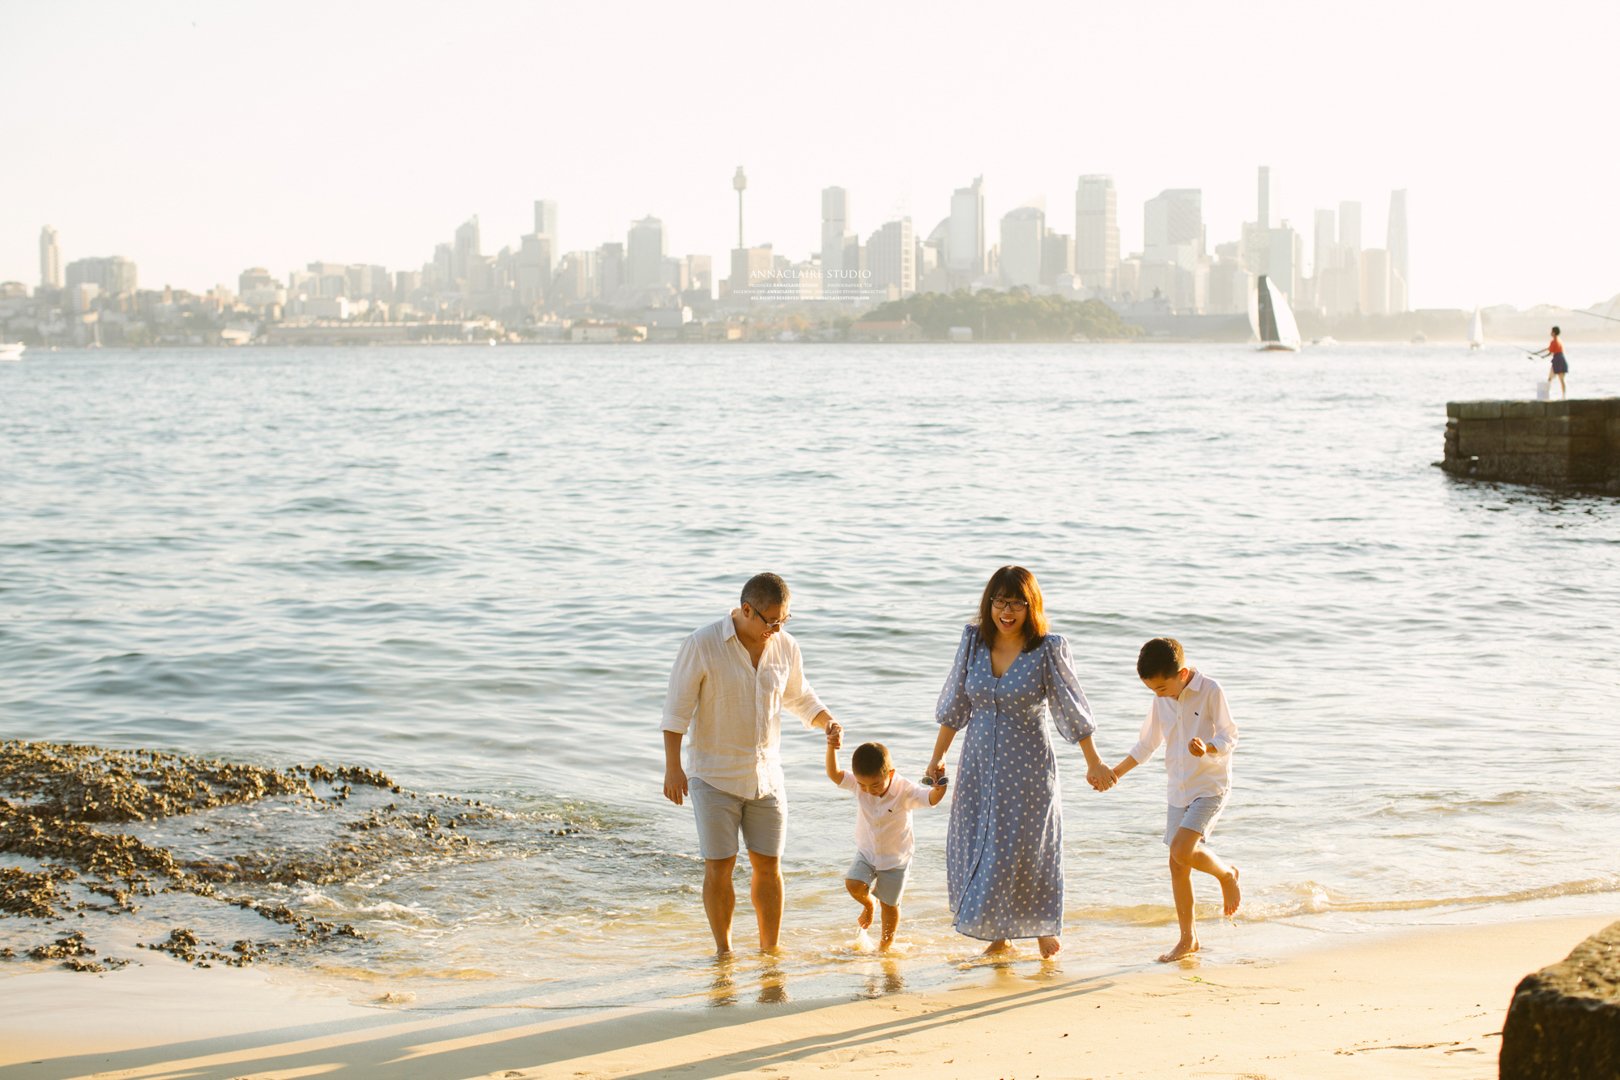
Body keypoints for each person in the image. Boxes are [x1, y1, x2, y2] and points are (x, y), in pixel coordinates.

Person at [925, 565, 1115, 960]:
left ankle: (1043, 927)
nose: (1006, 612)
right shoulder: (974, 642)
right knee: (983, 843)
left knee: (1026, 847)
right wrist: (937, 757)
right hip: (977, 764)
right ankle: (999, 935)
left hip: (1026, 767)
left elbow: (1071, 708)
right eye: (999, 601)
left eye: (1016, 603)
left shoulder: (1047, 649)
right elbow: (955, 706)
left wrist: (1093, 761)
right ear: (989, 603)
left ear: (1032, 607)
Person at [661, 572, 842, 956]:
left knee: (769, 867)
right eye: (771, 621)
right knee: (720, 866)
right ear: (747, 610)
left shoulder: (785, 646)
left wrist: (825, 720)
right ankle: (724, 953)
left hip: (767, 777)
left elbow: (799, 696)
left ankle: (769, 951)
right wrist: (673, 768)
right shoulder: (702, 644)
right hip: (714, 776)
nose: (776, 629)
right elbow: (676, 710)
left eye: (784, 621)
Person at [1106, 637, 1241, 963]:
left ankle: (1226, 875)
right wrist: (1115, 773)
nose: (1158, 695)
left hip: (1210, 785)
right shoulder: (1161, 700)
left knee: (1182, 849)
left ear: (1181, 674)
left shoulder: (1210, 690)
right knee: (1177, 862)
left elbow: (1230, 735)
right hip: (1178, 789)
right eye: (1152, 690)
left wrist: (1207, 747)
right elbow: (1146, 745)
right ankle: (1188, 939)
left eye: (1161, 688)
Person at [824, 734, 946, 952]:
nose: (869, 790)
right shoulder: (859, 784)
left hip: (896, 858)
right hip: (867, 852)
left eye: (876, 785)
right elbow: (834, 774)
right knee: (853, 884)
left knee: (890, 906)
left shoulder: (904, 790)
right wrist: (831, 747)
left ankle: (885, 947)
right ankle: (869, 904)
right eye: (863, 784)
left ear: (890, 774)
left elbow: (931, 799)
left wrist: (940, 787)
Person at [1534, 326, 1569, 399]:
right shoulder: (1557, 341)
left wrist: (1542, 356)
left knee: (1554, 379)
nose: (1550, 333)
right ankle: (1562, 396)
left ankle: (1558, 396)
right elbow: (1549, 349)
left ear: (1554, 333)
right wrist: (1537, 353)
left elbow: (1550, 352)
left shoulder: (1555, 341)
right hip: (1558, 360)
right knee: (1558, 379)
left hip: (1558, 360)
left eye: (1551, 331)